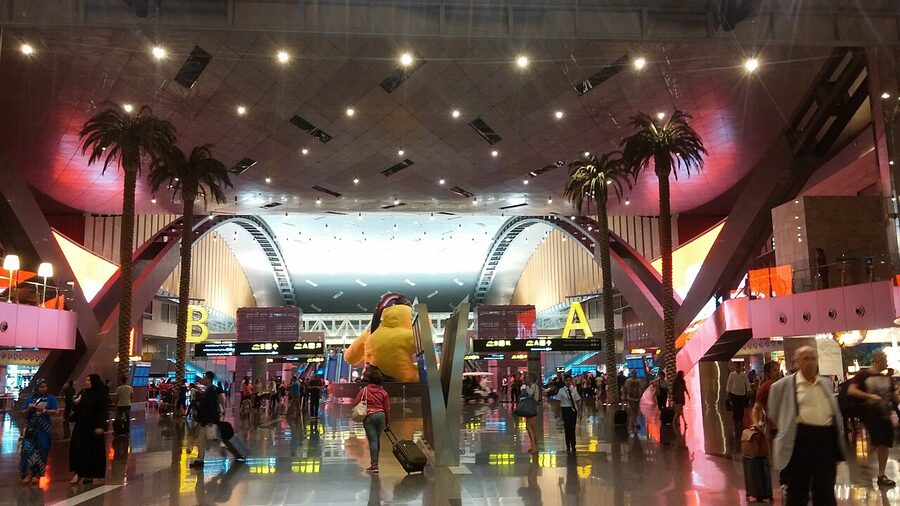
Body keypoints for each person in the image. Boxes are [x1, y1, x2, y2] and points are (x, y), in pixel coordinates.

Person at [768, 346, 846, 506]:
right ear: (796, 363)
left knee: (825, 489)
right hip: (799, 442)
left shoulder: (825, 383)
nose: (810, 362)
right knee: (797, 490)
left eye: (813, 358)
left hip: (825, 441)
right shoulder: (782, 386)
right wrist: (788, 425)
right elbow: (774, 413)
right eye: (805, 359)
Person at [847, 349, 898, 488]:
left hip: (885, 414)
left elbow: (894, 396)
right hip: (872, 414)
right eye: (885, 359)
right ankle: (863, 464)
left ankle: (881, 474)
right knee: (877, 441)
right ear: (878, 360)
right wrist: (869, 396)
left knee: (885, 444)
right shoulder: (864, 375)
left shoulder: (887, 378)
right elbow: (851, 390)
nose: (886, 362)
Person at [69, 373, 109, 484]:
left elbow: (103, 411)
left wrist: (100, 426)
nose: (86, 382)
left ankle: (89, 474)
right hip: (81, 426)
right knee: (77, 448)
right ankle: (77, 473)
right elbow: (77, 408)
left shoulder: (100, 394)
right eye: (86, 380)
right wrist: (76, 403)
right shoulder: (83, 393)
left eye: (89, 380)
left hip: (93, 427)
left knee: (91, 451)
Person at [19, 379, 58, 485]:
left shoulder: (51, 398)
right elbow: (22, 412)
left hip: (44, 429)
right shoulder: (30, 399)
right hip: (31, 429)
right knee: (28, 450)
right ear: (37, 387)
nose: (43, 389)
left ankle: (37, 474)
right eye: (41, 387)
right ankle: (28, 472)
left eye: (45, 386)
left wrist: (43, 411)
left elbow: (54, 411)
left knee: (42, 450)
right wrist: (29, 409)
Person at [353, 368, 391, 475]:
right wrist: (388, 422)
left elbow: (356, 403)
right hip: (381, 416)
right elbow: (387, 408)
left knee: (373, 441)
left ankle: (374, 466)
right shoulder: (383, 392)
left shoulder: (364, 391)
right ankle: (375, 464)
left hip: (369, 417)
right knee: (376, 440)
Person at [189, 371, 225, 468]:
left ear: (209, 379)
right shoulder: (209, 390)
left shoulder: (211, 391)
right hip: (205, 420)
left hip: (207, 421)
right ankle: (200, 459)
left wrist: (209, 421)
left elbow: (212, 407)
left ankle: (202, 459)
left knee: (206, 439)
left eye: (205, 377)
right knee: (204, 439)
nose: (203, 379)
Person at [552, 374, 581, 453]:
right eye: (567, 381)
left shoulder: (574, 389)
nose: (568, 382)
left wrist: (580, 411)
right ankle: (568, 445)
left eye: (569, 380)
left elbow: (578, 400)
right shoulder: (561, 390)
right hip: (565, 409)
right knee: (567, 428)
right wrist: (557, 412)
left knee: (572, 428)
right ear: (564, 381)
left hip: (573, 410)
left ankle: (573, 445)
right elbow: (557, 401)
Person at [752, 361, 782, 428]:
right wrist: (756, 425)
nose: (778, 372)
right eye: (774, 370)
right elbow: (756, 408)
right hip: (773, 427)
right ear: (768, 373)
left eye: (778, 369)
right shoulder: (764, 388)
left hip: (787, 426)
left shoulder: (784, 384)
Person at [519, 372, 542, 454]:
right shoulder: (534, 386)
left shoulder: (533, 386)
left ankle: (533, 447)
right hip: (533, 407)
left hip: (531, 408)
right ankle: (536, 445)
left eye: (527, 377)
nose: (526, 378)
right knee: (532, 426)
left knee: (528, 426)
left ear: (531, 378)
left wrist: (525, 388)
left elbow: (530, 393)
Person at [726, 362, 751, 436]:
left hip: (742, 393)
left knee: (741, 407)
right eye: (736, 366)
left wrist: (748, 390)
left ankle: (740, 419)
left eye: (739, 366)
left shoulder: (743, 375)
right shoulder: (732, 375)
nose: (738, 367)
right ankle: (736, 420)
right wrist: (728, 392)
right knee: (735, 407)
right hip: (734, 394)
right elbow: (729, 383)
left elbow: (747, 383)